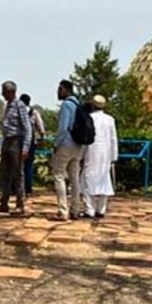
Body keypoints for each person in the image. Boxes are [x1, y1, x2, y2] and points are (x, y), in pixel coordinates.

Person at [0, 81, 31, 214]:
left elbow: (27, 128)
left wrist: (25, 147)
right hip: (7, 141)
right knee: (5, 173)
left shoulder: (19, 105)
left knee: (18, 174)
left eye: (4, 91)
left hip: (16, 142)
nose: (2, 94)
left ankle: (20, 204)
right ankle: (3, 202)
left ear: (10, 92)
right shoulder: (8, 105)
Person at [80, 95, 118, 219]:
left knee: (86, 179)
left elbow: (86, 136)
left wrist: (81, 153)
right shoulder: (110, 119)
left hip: (92, 150)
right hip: (105, 153)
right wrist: (113, 156)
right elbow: (113, 139)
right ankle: (101, 209)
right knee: (103, 179)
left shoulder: (89, 118)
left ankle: (89, 209)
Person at [51, 79, 84, 221]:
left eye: (60, 89)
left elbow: (63, 128)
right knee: (75, 178)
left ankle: (63, 210)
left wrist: (56, 144)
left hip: (66, 144)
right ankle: (75, 210)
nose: (58, 92)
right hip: (78, 145)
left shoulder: (66, 105)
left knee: (58, 175)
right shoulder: (79, 105)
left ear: (66, 90)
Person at [20, 94, 46, 196]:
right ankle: (28, 189)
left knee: (17, 166)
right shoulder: (34, 112)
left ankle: (16, 189)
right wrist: (42, 137)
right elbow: (40, 126)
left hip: (18, 141)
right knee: (29, 166)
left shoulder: (18, 112)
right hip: (31, 142)